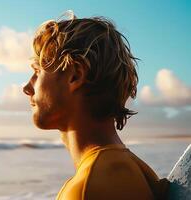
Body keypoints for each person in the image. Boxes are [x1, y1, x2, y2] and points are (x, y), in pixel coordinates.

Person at [23, 12, 169, 200]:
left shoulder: (87, 189)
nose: (27, 87)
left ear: (75, 75)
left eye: (37, 72)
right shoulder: (130, 167)